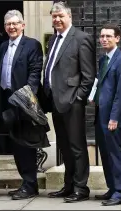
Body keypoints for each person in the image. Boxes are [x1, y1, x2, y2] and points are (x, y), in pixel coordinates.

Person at [44, 2, 96, 202]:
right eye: (54, 16)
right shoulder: (53, 40)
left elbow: (88, 76)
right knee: (64, 147)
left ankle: (81, 188)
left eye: (60, 16)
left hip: (72, 102)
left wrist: (78, 98)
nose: (57, 19)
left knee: (76, 146)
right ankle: (69, 185)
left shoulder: (81, 39)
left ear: (70, 17)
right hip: (56, 102)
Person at [0, 10, 43, 200]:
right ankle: (26, 183)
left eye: (15, 23)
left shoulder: (32, 45)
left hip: (24, 101)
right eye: (8, 24)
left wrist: (26, 98)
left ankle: (30, 184)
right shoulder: (2, 47)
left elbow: (34, 73)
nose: (12, 27)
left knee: (26, 145)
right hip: (7, 100)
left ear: (23, 25)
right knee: (16, 144)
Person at [91, 23, 121, 206]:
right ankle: (113, 188)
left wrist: (114, 118)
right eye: (102, 36)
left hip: (112, 118)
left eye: (108, 36)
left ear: (117, 38)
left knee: (116, 154)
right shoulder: (103, 59)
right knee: (106, 153)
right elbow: (100, 83)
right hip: (101, 113)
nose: (104, 39)